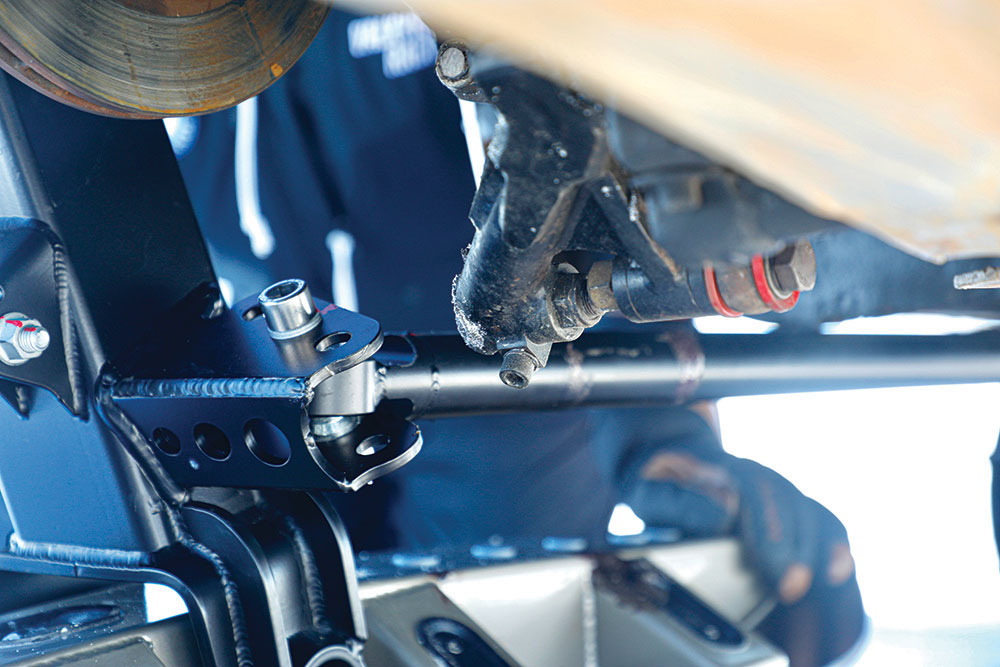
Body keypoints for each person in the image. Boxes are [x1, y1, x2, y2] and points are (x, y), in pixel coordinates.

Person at [170, 8, 865, 664]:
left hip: (475, 384)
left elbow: (621, 216)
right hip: (249, 365)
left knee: (523, 566)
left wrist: (659, 437)